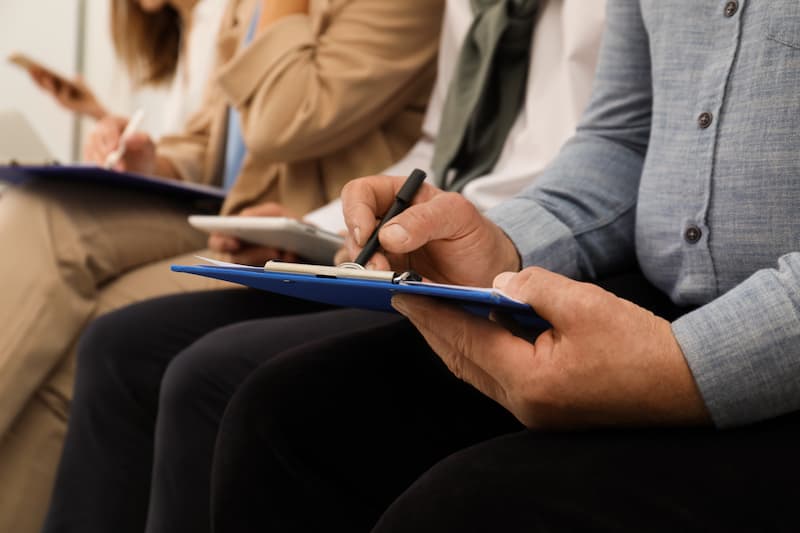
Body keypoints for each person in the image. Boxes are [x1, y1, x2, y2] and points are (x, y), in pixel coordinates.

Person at [198, 0, 799, 531]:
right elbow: (623, 138)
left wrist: (683, 368)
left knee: (463, 508)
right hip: (654, 306)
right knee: (285, 418)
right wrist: (503, 247)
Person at [41, 2, 607, 533]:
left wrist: (489, 242)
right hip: (411, 236)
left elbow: (281, 122)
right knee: (118, 342)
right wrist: (318, 228)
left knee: (208, 374)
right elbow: (439, 151)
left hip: (525, 246)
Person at [0, 1, 442, 531]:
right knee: (40, 212)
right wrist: (153, 160)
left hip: (309, 238)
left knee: (96, 336)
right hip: (233, 215)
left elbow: (284, 120)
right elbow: (214, 132)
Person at [22, 0, 225, 136]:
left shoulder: (228, 17)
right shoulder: (187, 30)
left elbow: (205, 161)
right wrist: (98, 113)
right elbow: (178, 157)